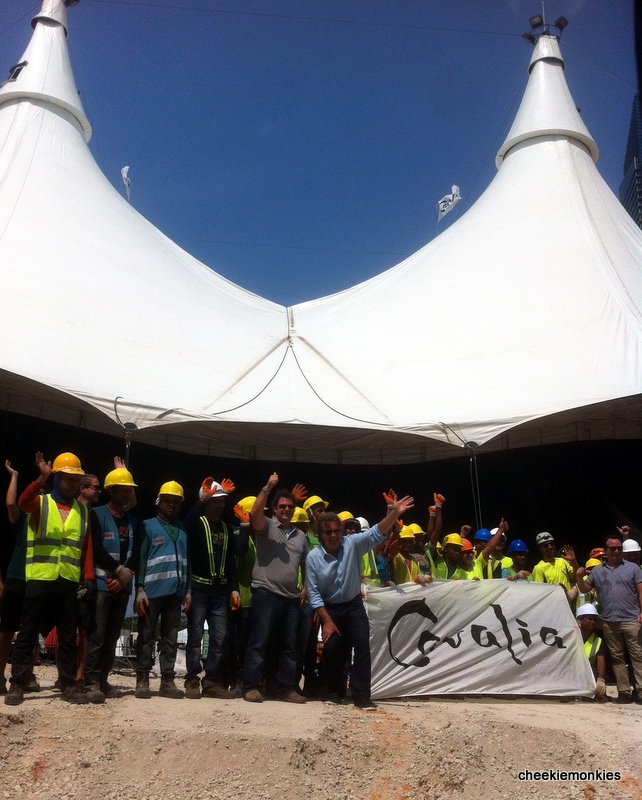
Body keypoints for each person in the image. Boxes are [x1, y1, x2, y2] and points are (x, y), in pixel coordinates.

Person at [305, 494, 415, 710]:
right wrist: (327, 621)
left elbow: (376, 532)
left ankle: (361, 695)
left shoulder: (352, 544)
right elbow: (313, 593)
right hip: (330, 609)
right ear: (320, 534)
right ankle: (334, 690)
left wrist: (394, 513)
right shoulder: (313, 558)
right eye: (329, 532)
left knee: (362, 645)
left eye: (337, 531)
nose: (334, 535)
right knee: (332, 648)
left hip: (353, 604)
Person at [5, 452, 94, 706]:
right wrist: (40, 478)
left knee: (67, 637)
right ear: (57, 478)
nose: (74, 484)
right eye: (69, 479)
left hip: (68, 582)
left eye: (76, 480)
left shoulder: (83, 511)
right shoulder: (41, 503)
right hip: (40, 579)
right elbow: (22, 503)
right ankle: (17, 683)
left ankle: (67, 684)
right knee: (27, 632)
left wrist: (88, 578)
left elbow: (85, 547)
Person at [243, 473, 307, 704]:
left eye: (290, 506)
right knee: (259, 641)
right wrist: (267, 487)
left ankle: (285, 688)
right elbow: (254, 514)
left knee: (289, 646)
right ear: (274, 509)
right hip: (266, 593)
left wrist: (306, 586)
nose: (286, 510)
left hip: (290, 598)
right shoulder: (267, 526)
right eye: (281, 506)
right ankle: (251, 686)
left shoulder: (301, 536)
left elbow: (304, 564)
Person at [182, 477, 245, 700]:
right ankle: (191, 679)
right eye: (215, 501)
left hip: (220, 592)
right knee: (195, 636)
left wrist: (234, 588)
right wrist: (202, 499)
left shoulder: (227, 528)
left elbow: (235, 556)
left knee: (220, 639)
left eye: (222, 501)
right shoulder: (197, 524)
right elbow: (186, 523)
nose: (219, 505)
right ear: (207, 502)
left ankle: (212, 682)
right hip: (199, 588)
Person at [84, 467, 139, 700]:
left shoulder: (133, 522)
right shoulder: (96, 515)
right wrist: (117, 571)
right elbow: (95, 548)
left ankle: (103, 681)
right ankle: (91, 682)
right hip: (102, 584)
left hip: (122, 587)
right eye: (122, 490)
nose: (127, 494)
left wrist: (126, 577)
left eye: (129, 490)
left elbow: (136, 553)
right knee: (97, 635)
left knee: (112, 637)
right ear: (111, 491)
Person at [134, 481, 190, 700]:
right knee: (146, 636)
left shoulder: (183, 530)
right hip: (151, 592)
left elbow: (188, 562)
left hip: (175, 593)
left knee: (171, 638)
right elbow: (141, 558)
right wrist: (139, 588)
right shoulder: (147, 526)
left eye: (176, 502)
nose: (171, 505)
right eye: (167, 501)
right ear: (159, 502)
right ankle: (142, 679)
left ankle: (167, 680)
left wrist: (188, 590)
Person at [576, 536, 642, 704]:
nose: (616, 551)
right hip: (609, 621)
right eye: (612, 548)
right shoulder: (597, 571)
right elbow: (585, 589)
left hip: (631, 619)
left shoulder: (633, 568)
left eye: (619, 548)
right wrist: (579, 577)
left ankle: (641, 691)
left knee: (638, 656)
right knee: (617, 657)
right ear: (605, 551)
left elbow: (641, 591)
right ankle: (624, 692)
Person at [0, 461, 40, 695]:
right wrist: (14, 476)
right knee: (6, 630)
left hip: (37, 580)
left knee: (31, 632)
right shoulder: (23, 521)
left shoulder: (51, 525)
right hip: (16, 578)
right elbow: (10, 503)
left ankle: (27, 675)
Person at [530, 531, 578, 603]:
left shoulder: (562, 561)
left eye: (551, 543)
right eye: (545, 545)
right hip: (552, 605)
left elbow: (576, 579)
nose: (550, 547)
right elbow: (539, 593)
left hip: (567, 604)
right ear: (540, 548)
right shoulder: (538, 568)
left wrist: (574, 561)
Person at [575, 603, 607, 702]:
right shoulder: (572, 637)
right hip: (572, 672)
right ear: (581, 620)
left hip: (589, 673)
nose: (593, 622)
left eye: (594, 620)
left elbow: (601, 660)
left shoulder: (598, 641)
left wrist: (601, 680)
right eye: (590, 619)